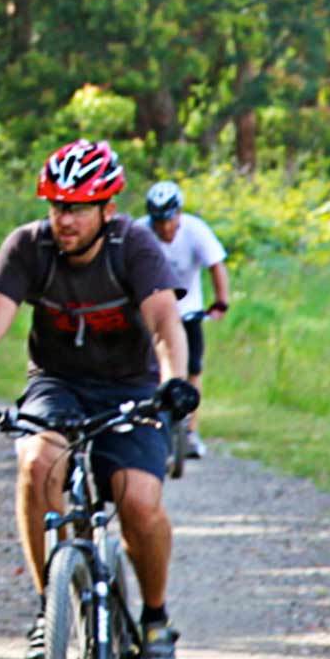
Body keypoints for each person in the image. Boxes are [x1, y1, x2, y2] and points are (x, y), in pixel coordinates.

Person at [0, 140, 199, 659]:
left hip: (130, 388)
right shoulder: (27, 248)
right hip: (57, 384)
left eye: (79, 208)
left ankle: (154, 620)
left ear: (108, 209)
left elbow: (164, 323)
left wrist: (174, 382)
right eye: (57, 205)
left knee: (138, 501)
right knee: (37, 464)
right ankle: (49, 607)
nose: (65, 219)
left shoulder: (134, 247)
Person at [140, 180, 230, 456]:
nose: (165, 228)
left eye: (169, 221)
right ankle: (152, 423)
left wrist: (221, 301)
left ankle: (190, 430)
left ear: (179, 214)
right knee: (148, 367)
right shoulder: (140, 233)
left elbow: (216, 265)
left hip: (188, 309)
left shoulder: (195, 230)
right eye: (159, 223)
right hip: (152, 310)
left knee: (193, 369)